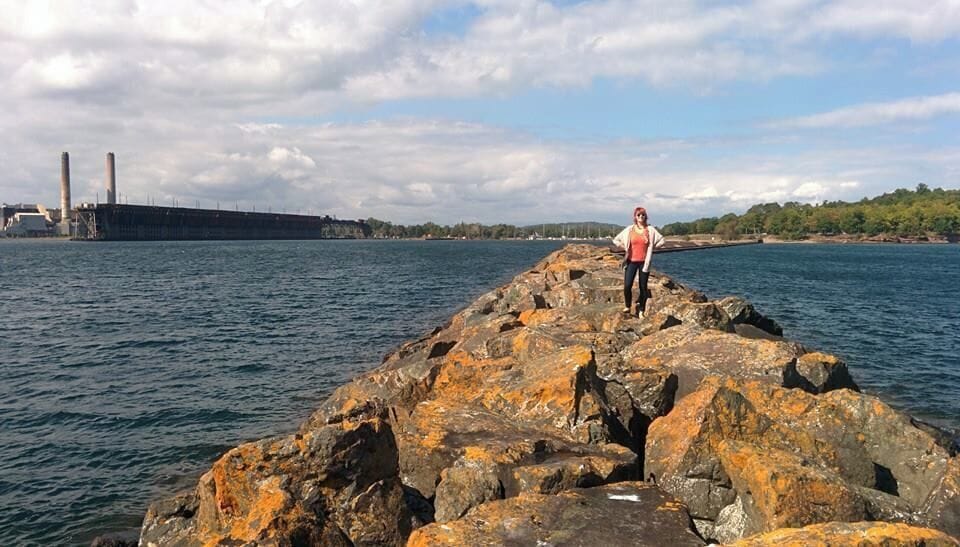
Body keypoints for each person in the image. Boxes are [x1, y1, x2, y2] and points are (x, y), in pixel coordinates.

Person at [612, 207, 665, 318]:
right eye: (638, 215)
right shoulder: (630, 229)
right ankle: (627, 306)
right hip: (631, 261)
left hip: (644, 262)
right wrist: (626, 247)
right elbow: (616, 240)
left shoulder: (650, 230)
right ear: (635, 217)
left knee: (643, 287)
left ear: (646, 217)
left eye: (643, 215)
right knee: (627, 285)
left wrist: (652, 247)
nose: (641, 217)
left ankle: (641, 309)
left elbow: (662, 240)